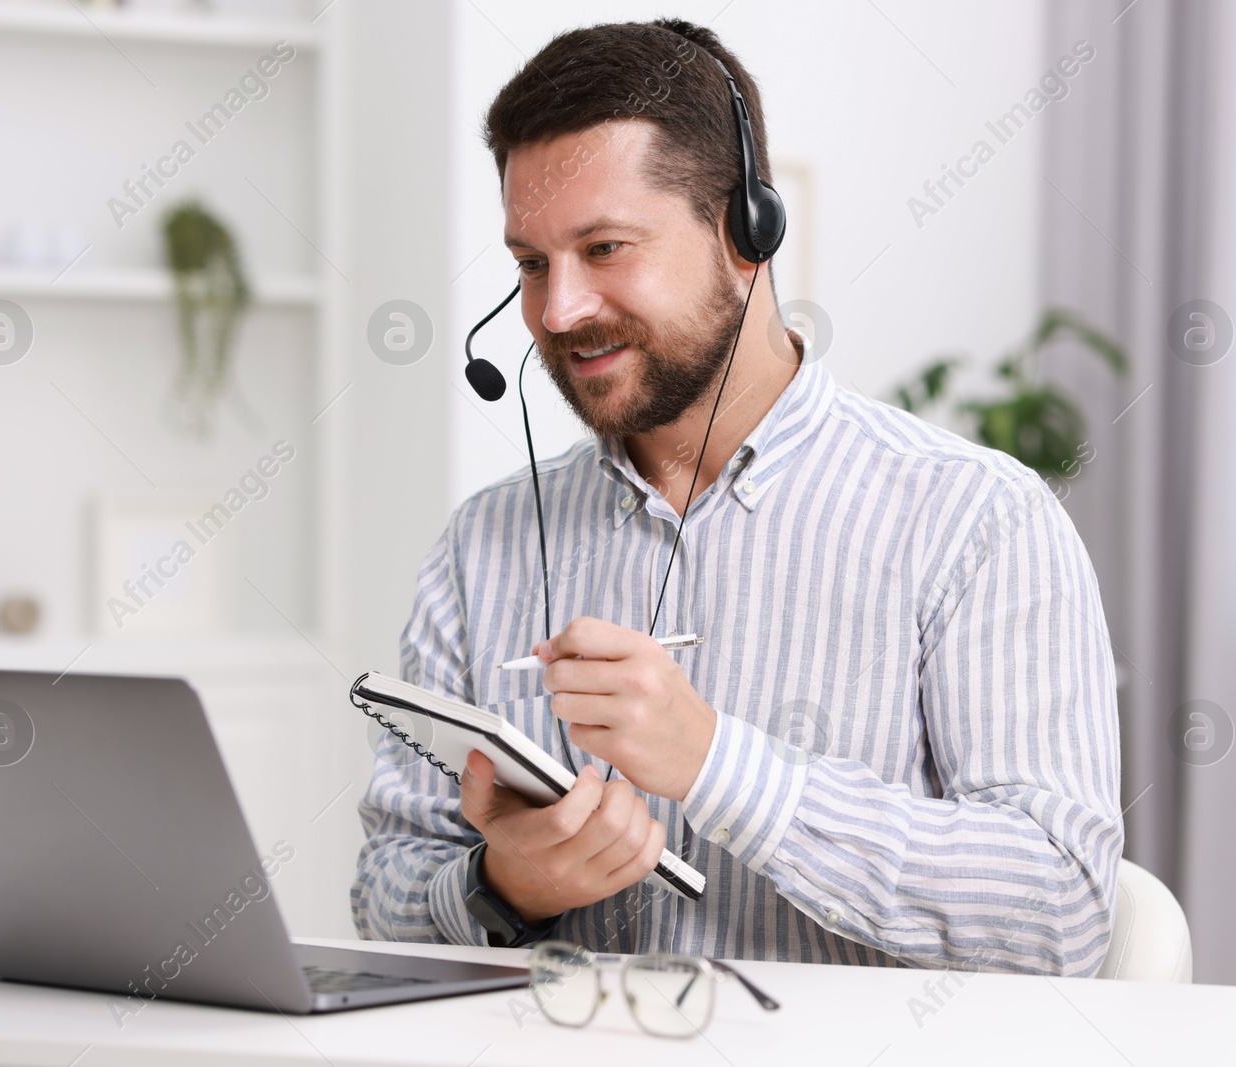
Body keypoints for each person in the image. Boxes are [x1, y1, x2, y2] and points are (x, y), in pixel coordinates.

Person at [352, 18, 1122, 976]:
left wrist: (721, 765)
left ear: (746, 231)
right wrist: (505, 888)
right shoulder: (486, 543)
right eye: (531, 262)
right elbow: (384, 884)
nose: (558, 312)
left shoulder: (974, 521)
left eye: (605, 247)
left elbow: (1063, 914)